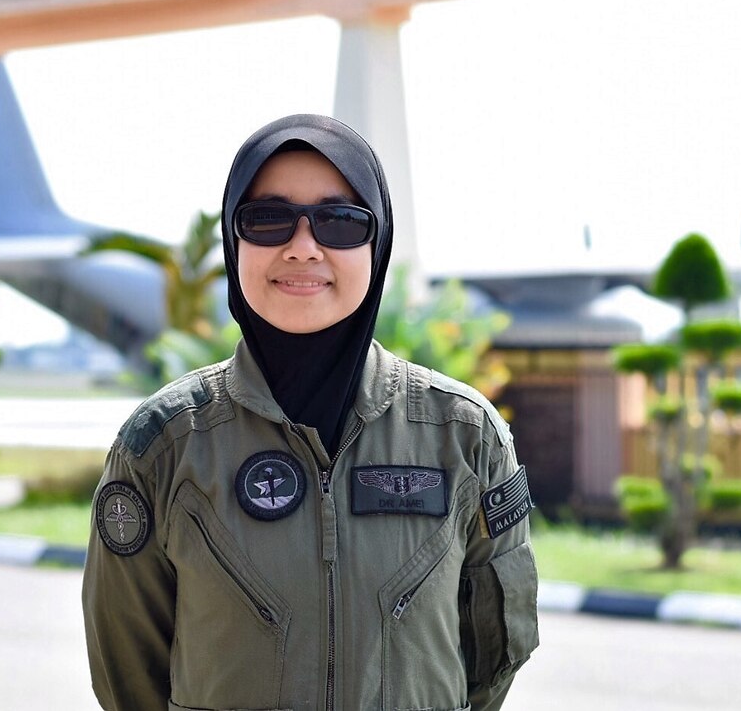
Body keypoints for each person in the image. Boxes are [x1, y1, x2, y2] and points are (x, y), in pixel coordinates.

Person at [82, 114, 538, 711]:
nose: (302, 247)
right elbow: (128, 675)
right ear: (232, 240)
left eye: (340, 221)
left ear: (377, 244)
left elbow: (493, 651)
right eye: (267, 219)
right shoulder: (164, 446)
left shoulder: (463, 436)